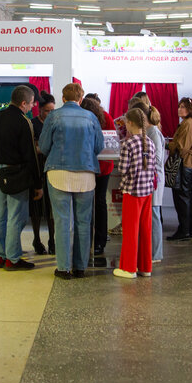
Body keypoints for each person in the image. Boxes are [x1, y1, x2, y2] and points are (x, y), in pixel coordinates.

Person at [40, 83, 105, 279]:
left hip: (58, 172)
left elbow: (43, 146)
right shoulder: (91, 117)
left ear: (63, 98)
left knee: (62, 221)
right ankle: (80, 267)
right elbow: (99, 146)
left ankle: (63, 268)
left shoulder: (53, 116)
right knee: (83, 222)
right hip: (86, 173)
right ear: (80, 99)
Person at [0, 85, 40, 271]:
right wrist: (37, 184)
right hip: (15, 173)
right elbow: (30, 155)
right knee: (15, 216)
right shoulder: (23, 122)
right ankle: (13, 258)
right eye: (30, 104)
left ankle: (0, 255)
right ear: (23, 103)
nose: (31, 107)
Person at [113, 107, 156, 279]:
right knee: (145, 230)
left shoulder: (128, 144)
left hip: (132, 191)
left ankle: (129, 268)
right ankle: (145, 267)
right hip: (147, 192)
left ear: (130, 123)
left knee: (130, 231)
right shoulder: (150, 142)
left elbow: (123, 169)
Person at [80, 96, 116, 261]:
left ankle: (88, 241)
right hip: (104, 166)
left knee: (88, 203)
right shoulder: (106, 116)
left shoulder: (82, 117)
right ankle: (100, 241)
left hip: (89, 166)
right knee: (100, 203)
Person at [167, 97, 192, 240]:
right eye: (179, 106)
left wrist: (167, 145)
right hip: (188, 163)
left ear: (190, 109)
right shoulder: (188, 123)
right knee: (187, 196)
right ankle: (190, 229)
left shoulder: (189, 124)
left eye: (183, 107)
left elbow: (182, 147)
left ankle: (185, 230)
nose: (179, 109)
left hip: (186, 163)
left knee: (182, 196)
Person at [30, 93, 56, 256]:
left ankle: (52, 240)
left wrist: (41, 147)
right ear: (39, 110)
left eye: (53, 110)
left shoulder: (55, 124)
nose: (50, 114)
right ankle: (36, 239)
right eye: (47, 111)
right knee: (36, 209)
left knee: (52, 208)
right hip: (36, 169)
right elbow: (31, 148)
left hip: (52, 169)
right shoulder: (32, 124)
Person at [145, 104, 167, 263]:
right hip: (152, 177)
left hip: (155, 179)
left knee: (154, 215)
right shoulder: (151, 132)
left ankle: (156, 253)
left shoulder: (153, 132)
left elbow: (157, 159)